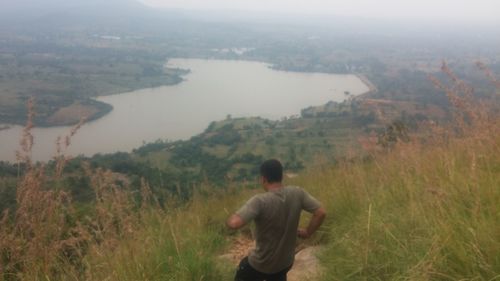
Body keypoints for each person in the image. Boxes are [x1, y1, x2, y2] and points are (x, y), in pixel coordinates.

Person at [226, 159, 326, 281]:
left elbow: (234, 223)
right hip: (285, 264)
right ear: (281, 176)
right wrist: (308, 232)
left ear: (263, 179)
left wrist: (229, 219)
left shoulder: (259, 201)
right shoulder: (298, 193)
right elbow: (321, 213)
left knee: (244, 267)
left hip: (260, 265)